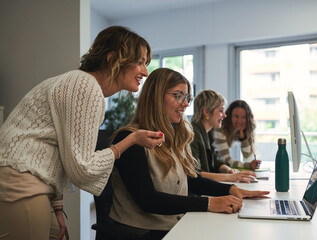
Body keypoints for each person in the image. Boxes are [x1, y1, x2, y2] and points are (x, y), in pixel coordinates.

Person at [0, 26, 165, 240]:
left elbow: (57, 151)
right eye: (140, 62)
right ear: (113, 58)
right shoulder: (85, 86)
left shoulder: (78, 83)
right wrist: (131, 140)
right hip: (19, 183)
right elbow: (82, 168)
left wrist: (56, 207)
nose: (145, 72)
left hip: (27, 182)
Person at [109, 68, 270, 239]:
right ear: (156, 97)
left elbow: (192, 180)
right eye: (178, 96)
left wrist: (231, 189)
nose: (185, 103)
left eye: (187, 98)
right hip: (141, 233)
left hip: (173, 226)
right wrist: (209, 203)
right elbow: (147, 200)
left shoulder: (175, 136)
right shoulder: (130, 139)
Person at [190, 90, 256, 182]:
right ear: (206, 112)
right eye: (221, 111)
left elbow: (216, 162)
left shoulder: (206, 132)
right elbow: (194, 173)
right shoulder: (193, 134)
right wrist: (230, 177)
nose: (225, 115)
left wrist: (229, 170)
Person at [212, 100, 261, 170]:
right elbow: (225, 160)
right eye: (236, 116)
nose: (239, 121)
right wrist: (248, 165)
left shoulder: (237, 131)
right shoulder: (220, 129)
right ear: (229, 116)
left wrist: (243, 137)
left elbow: (248, 158)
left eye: (243, 117)